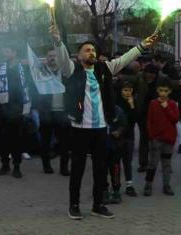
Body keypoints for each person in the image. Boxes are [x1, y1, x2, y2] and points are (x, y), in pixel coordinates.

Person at [50, 24, 156, 220]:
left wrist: (141, 46)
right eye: (87, 50)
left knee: (100, 169)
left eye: (93, 50)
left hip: (100, 129)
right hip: (80, 128)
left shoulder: (104, 69)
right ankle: (74, 206)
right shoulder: (72, 70)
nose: (91, 52)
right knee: (78, 169)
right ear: (79, 55)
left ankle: (98, 205)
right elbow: (63, 58)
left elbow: (125, 59)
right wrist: (57, 40)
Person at [0, 45, 32, 179]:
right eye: (4, 50)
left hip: (18, 108)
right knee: (3, 139)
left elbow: (29, 84)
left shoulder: (23, 67)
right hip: (3, 108)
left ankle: (17, 166)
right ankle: (5, 165)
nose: (4, 53)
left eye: (7, 51)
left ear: (14, 52)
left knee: (17, 139)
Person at [35, 48, 70, 175]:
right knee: (45, 142)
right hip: (47, 112)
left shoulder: (66, 72)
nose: (52, 58)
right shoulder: (41, 73)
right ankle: (46, 166)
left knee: (64, 143)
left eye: (55, 55)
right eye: (49, 56)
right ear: (46, 58)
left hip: (63, 112)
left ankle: (64, 168)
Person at [144, 81, 180, 196]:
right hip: (156, 139)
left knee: (166, 164)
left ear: (170, 92)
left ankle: (166, 185)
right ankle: (148, 185)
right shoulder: (153, 104)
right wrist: (151, 136)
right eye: (161, 90)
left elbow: (175, 119)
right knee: (152, 163)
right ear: (157, 91)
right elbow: (149, 120)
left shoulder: (173, 104)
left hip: (168, 139)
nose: (163, 93)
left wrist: (166, 107)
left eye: (165, 91)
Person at [133, 64, 171, 172]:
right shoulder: (140, 77)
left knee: (160, 140)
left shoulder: (163, 79)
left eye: (152, 75)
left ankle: (165, 164)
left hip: (158, 114)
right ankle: (143, 164)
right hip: (143, 114)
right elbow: (130, 80)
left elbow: (172, 85)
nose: (149, 77)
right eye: (148, 75)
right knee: (144, 139)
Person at [115, 81, 138, 197]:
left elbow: (134, 119)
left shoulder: (132, 102)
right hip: (118, 137)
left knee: (127, 162)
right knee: (116, 163)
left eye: (129, 90)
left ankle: (129, 185)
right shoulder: (117, 104)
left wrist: (132, 105)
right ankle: (116, 186)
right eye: (125, 90)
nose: (127, 93)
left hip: (129, 137)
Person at [104, 104, 130, 204]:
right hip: (102, 146)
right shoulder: (97, 109)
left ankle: (116, 190)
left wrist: (119, 131)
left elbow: (124, 124)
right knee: (102, 169)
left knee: (115, 169)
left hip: (115, 146)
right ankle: (104, 190)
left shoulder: (118, 110)